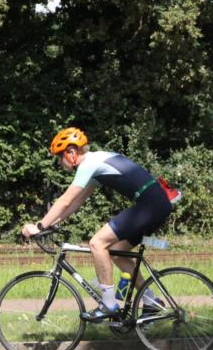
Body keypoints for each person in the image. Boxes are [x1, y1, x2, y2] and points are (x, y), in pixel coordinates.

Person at [21, 127, 175, 323]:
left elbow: (65, 200)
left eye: (59, 157)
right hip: (155, 204)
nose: (59, 162)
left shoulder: (89, 164)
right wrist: (51, 224)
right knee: (117, 252)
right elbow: (75, 203)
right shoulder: (97, 162)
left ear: (71, 152)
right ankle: (151, 301)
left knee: (97, 243)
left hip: (150, 205)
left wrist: (40, 226)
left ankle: (109, 305)